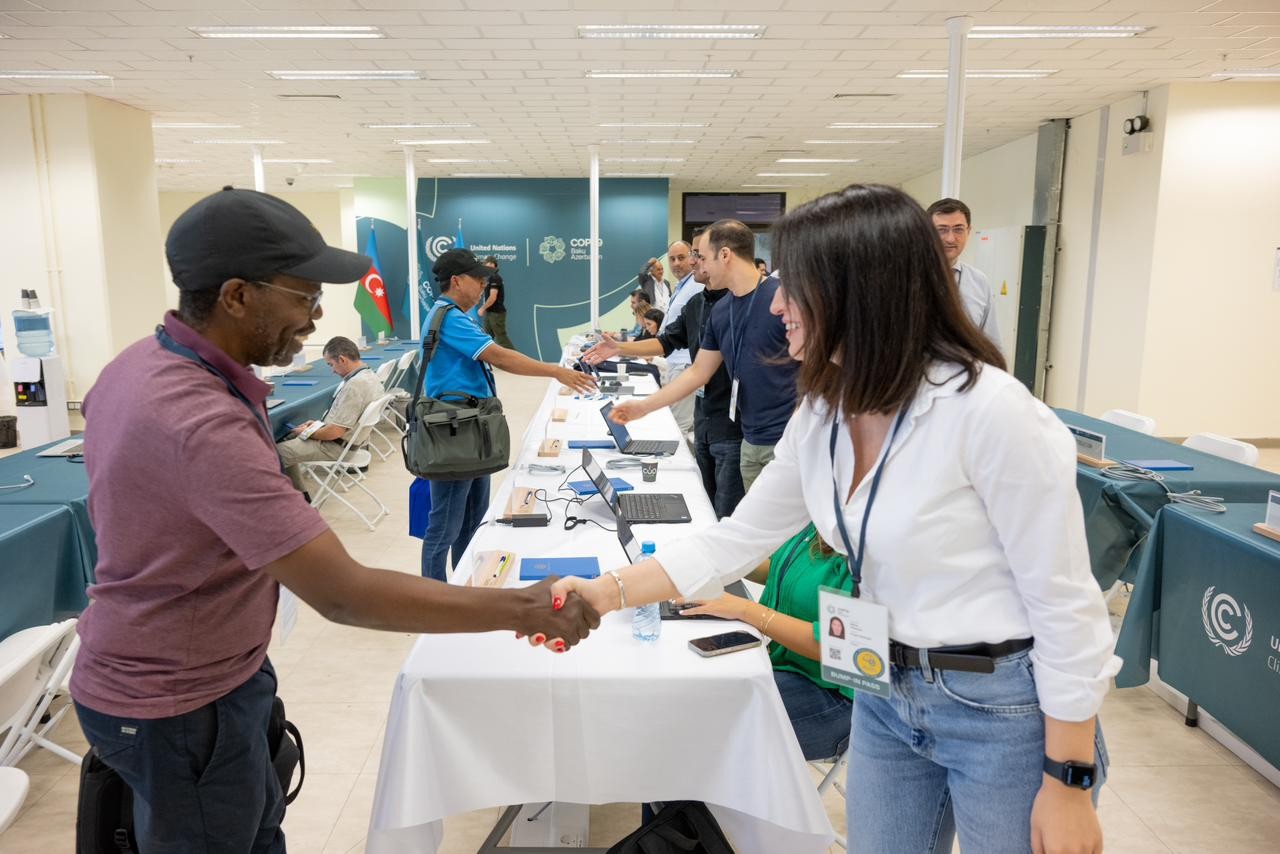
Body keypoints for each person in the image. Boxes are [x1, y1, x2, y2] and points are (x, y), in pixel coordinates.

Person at [555, 184, 1118, 854]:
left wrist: (1068, 778)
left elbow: (1066, 606)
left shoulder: (992, 413)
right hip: (882, 686)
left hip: (1000, 708)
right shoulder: (823, 413)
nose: (780, 305)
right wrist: (604, 593)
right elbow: (736, 539)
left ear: (865, 291)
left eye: (799, 287)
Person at [71, 188, 599, 854]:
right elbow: (343, 594)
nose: (316, 317)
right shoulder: (199, 421)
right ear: (236, 295)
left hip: (184, 677)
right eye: (303, 297)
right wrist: (524, 608)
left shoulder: (134, 367)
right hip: (180, 702)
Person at [420, 247, 596, 582]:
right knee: (445, 526)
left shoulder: (456, 315)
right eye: (478, 279)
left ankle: (464, 585)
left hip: (470, 426)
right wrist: (555, 372)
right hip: (455, 430)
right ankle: (436, 596)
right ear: (456, 281)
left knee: (471, 519)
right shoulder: (449, 317)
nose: (483, 286)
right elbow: (500, 357)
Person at [608, 219, 798, 492]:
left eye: (702, 257)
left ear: (725, 255)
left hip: (787, 443)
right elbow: (699, 372)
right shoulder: (721, 311)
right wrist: (644, 407)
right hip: (751, 442)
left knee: (795, 534)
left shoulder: (782, 299)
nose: (699, 265)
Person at [583, 230, 744, 518]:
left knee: (727, 513)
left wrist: (644, 406)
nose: (693, 262)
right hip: (705, 417)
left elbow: (700, 371)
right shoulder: (698, 304)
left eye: (697, 255)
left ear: (723, 256)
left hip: (733, 426)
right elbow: (666, 341)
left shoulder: (738, 306)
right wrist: (619, 348)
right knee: (707, 505)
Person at [678, 523, 853, 761]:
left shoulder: (865, 545)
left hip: (833, 698)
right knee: (687, 696)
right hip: (781, 663)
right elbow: (783, 572)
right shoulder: (820, 521)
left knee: (700, 730)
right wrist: (715, 563)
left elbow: (838, 647)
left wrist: (748, 611)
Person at [275, 335, 385, 494]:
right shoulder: (369, 376)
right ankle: (301, 496)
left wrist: (308, 432)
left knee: (275, 453)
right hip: (346, 443)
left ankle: (293, 499)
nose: (332, 370)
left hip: (334, 448)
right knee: (287, 439)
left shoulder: (354, 386)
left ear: (342, 359)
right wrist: (315, 427)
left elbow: (334, 432)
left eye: (331, 364)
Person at [927, 198, 1002, 351]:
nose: (950, 238)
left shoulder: (979, 282)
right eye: (942, 229)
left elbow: (991, 343)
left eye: (958, 229)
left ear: (969, 231)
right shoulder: (908, 278)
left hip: (968, 373)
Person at [658, 239, 702, 435]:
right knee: (678, 422)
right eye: (672, 259)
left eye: (681, 257)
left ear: (692, 257)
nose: (676, 263)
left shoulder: (697, 285)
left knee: (678, 426)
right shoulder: (681, 286)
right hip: (674, 361)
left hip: (686, 363)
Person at [476, 255, 515, 350]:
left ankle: (515, 362)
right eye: (486, 264)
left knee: (501, 339)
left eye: (489, 264)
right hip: (490, 312)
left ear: (494, 266)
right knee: (486, 339)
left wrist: (482, 308)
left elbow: (493, 297)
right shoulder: (489, 278)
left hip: (496, 313)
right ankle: (485, 362)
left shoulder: (495, 278)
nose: (487, 266)